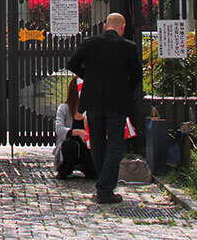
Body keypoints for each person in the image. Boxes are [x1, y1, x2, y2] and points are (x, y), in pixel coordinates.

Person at [67, 12, 142, 204]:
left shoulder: (90, 43)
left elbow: (72, 63)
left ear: (105, 26)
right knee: (115, 144)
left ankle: (103, 185)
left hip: (92, 101)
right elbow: (136, 76)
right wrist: (125, 89)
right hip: (117, 102)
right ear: (122, 27)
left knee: (98, 144)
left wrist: (88, 77)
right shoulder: (128, 47)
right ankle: (105, 188)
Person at [54, 76, 97, 180]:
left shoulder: (91, 109)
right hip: (69, 147)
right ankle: (65, 168)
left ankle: (88, 168)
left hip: (86, 149)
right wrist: (77, 132)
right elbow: (59, 129)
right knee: (71, 145)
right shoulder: (64, 108)